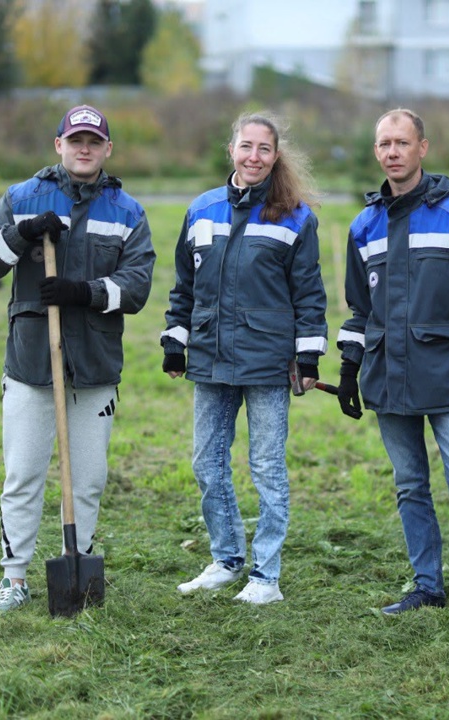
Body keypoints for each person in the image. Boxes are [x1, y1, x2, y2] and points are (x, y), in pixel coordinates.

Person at [0, 104, 156, 612]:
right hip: (31, 363)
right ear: (59, 145)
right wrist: (20, 235)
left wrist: (83, 292)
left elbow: (137, 288)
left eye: (94, 141)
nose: (84, 148)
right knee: (24, 474)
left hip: (94, 367)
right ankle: (14, 575)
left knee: (89, 478)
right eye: (76, 140)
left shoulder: (127, 212)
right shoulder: (22, 198)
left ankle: (80, 560)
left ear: (107, 149)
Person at [336, 108, 449, 623]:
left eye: (402, 143)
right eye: (384, 144)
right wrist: (348, 368)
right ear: (376, 152)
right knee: (410, 485)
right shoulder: (364, 226)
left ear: (423, 148)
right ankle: (427, 585)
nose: (393, 152)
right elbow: (358, 310)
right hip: (388, 377)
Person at [161, 111, 328, 605]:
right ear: (231, 149)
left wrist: (309, 357)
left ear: (275, 156)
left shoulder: (296, 216)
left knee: (267, 467)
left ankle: (266, 576)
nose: (254, 156)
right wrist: (176, 338)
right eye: (246, 146)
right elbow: (183, 286)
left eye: (264, 149)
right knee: (207, 463)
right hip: (211, 355)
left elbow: (310, 295)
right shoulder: (201, 209)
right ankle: (226, 559)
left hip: (268, 361)